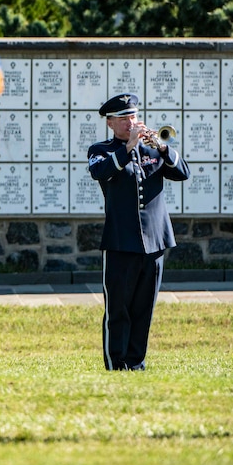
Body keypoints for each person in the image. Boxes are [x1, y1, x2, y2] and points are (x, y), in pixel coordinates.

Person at [87, 93, 190, 371]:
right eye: (123, 119)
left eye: (133, 116)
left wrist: (163, 147)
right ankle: (116, 362)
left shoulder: (153, 149)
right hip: (121, 241)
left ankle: (136, 362)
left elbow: (183, 172)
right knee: (118, 308)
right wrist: (128, 148)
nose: (131, 123)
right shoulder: (102, 150)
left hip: (155, 241)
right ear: (110, 123)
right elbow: (101, 172)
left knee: (144, 308)